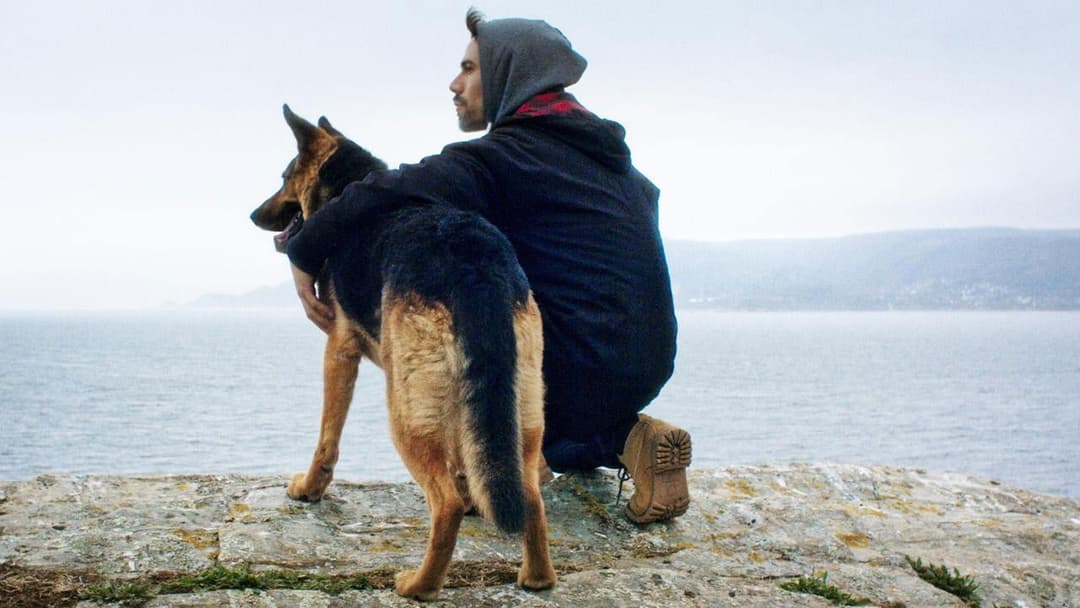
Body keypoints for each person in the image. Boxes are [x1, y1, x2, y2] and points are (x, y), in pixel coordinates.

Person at [286, 9, 691, 523]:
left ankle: (500, 474)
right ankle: (626, 436)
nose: (455, 84)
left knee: (474, 376)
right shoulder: (617, 164)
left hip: (567, 365)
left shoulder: (502, 157)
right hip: (649, 359)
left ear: (509, 74)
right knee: (563, 425)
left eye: (470, 69)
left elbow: (387, 189)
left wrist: (302, 250)